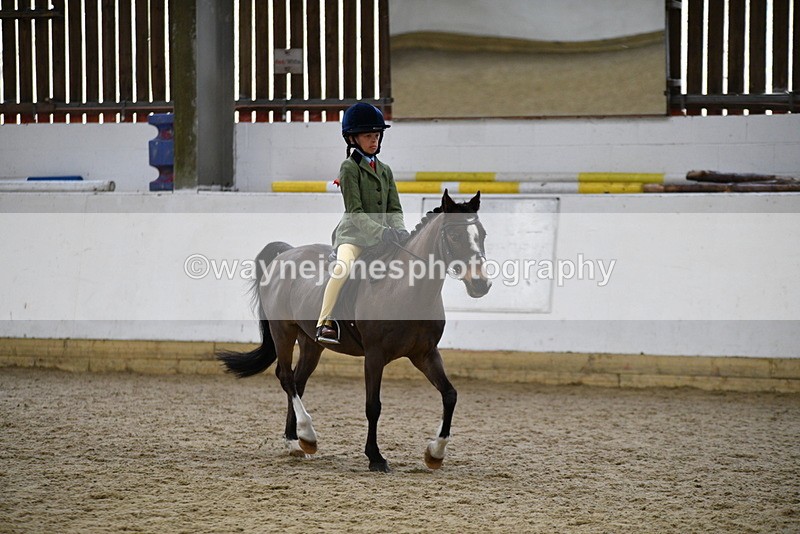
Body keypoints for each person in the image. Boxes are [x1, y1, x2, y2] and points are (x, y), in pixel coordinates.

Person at [315, 103, 410, 344]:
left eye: (377, 135)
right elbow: (355, 212)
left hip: (384, 235)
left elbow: (394, 208)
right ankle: (325, 322)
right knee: (342, 269)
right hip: (354, 236)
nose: (374, 140)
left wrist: (398, 230)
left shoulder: (385, 170)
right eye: (368, 136)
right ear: (353, 138)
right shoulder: (349, 168)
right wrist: (382, 232)